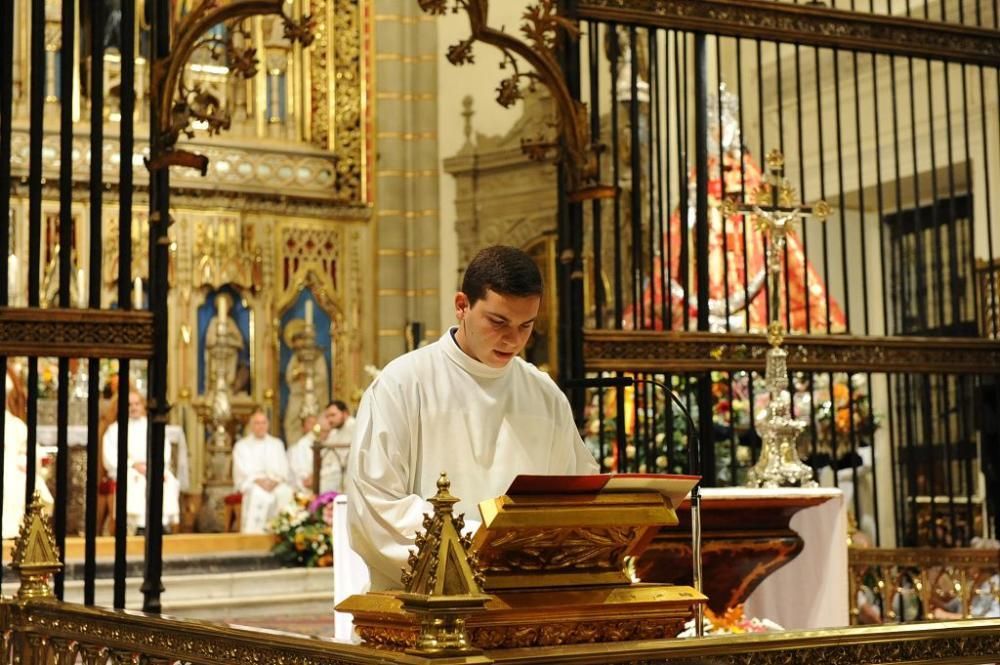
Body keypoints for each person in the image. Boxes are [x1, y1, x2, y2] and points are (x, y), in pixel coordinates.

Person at [347, 245, 598, 590]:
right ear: (462, 305)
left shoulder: (544, 395)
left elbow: (575, 499)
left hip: (523, 603)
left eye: (526, 326)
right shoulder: (403, 384)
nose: (513, 340)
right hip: (425, 608)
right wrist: (484, 544)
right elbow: (376, 507)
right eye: (499, 322)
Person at [101, 390, 181, 533]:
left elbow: (164, 450)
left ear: (143, 405)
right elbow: (110, 457)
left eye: (137, 404)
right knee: (135, 481)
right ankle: (139, 527)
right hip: (129, 469)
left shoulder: (153, 427)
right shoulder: (114, 430)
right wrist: (133, 465)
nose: (134, 407)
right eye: (129, 404)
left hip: (153, 467)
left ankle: (161, 525)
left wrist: (153, 465)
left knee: (168, 480)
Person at [3, 373, 54, 539]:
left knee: (23, 483)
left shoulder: (15, 426)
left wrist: (24, 462)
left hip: (13, 471)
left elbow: (34, 452)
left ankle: (15, 532)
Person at [232, 408, 294, 533]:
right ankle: (255, 536)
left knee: (285, 492)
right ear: (251, 425)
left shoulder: (277, 444)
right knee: (258, 494)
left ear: (268, 424)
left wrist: (275, 481)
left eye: (263, 422)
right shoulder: (242, 446)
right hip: (254, 484)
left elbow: (284, 469)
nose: (261, 426)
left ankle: (282, 534)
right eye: (257, 423)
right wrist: (259, 481)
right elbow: (242, 471)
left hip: (275, 483)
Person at [288, 400, 356, 493]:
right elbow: (325, 457)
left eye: (333, 415)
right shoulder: (335, 431)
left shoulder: (353, 428)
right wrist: (313, 475)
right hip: (330, 475)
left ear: (345, 413)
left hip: (344, 477)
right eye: (327, 416)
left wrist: (317, 477)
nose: (330, 420)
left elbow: (340, 463)